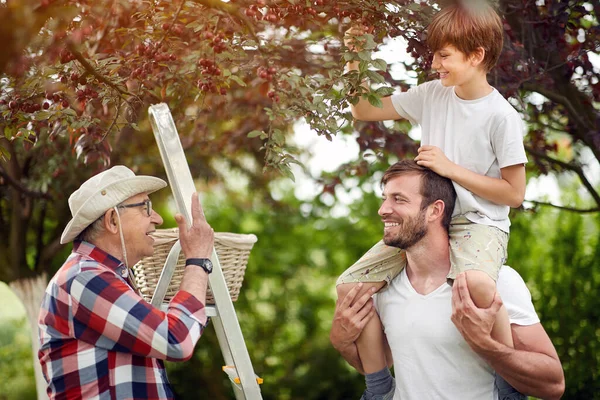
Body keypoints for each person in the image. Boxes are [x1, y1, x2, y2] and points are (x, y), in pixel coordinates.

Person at [336, 3, 529, 397]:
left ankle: (508, 386)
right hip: (430, 222)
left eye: (444, 55)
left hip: (479, 224)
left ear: (476, 56)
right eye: (433, 53)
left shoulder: (500, 116)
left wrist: (451, 168)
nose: (434, 63)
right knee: (349, 286)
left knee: (477, 283)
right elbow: (362, 108)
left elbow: (515, 194)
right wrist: (354, 55)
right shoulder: (432, 95)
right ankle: (378, 387)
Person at [330, 160, 565, 400]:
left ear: (435, 210)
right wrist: (342, 344)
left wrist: (486, 345)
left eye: (398, 199)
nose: (383, 210)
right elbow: (382, 363)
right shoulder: (382, 289)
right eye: (385, 198)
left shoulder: (496, 281)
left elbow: (553, 386)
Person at [38, 165, 215, 399]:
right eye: (145, 208)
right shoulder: (85, 279)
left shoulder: (99, 276)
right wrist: (198, 260)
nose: (158, 219)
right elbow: (176, 340)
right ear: (113, 220)